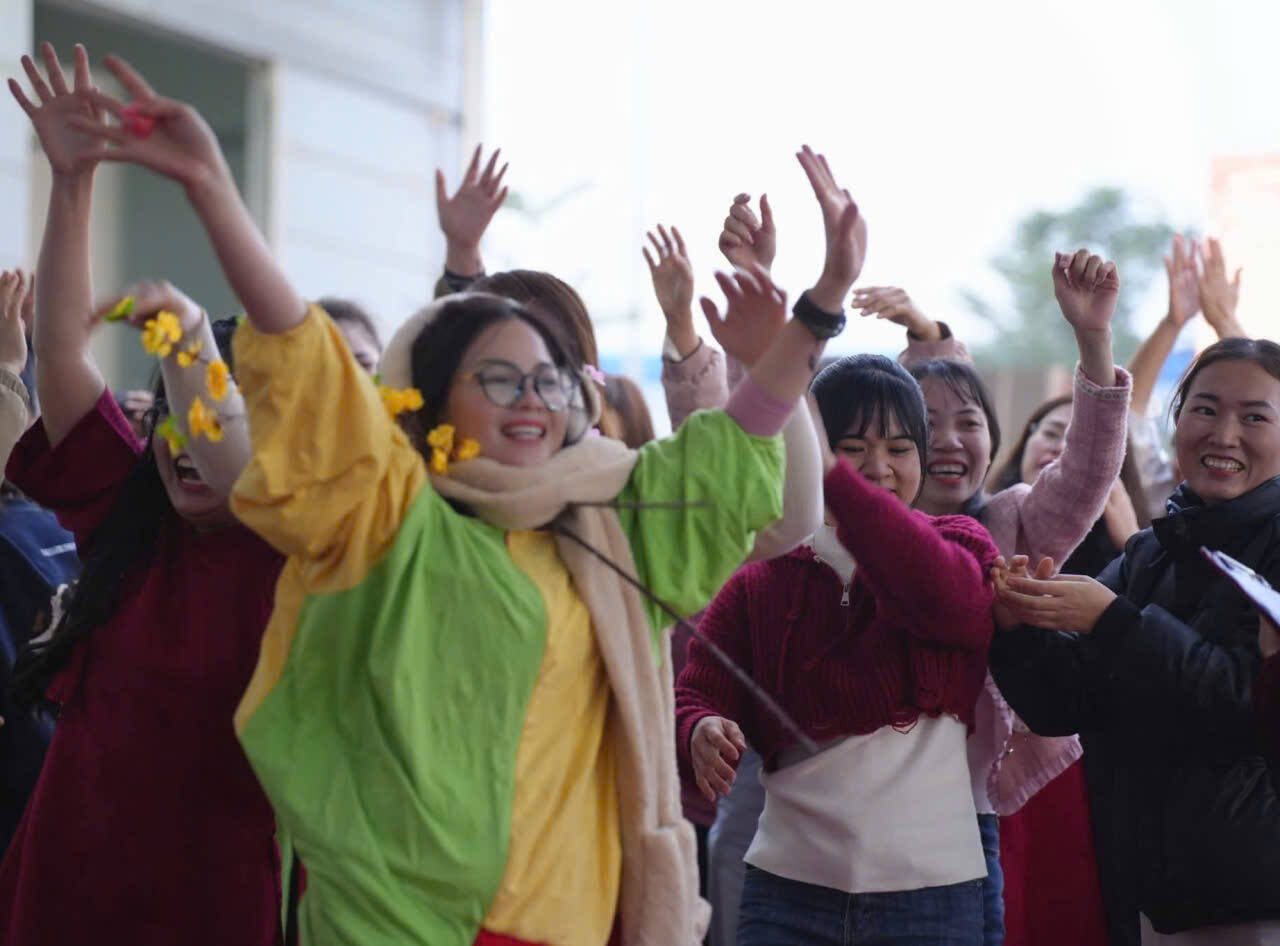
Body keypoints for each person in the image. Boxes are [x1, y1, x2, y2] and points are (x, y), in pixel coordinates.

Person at [72, 49, 860, 944]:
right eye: (498, 377)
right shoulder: (386, 517)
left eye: (549, 377)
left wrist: (817, 306)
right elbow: (305, 365)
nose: (531, 399)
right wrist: (214, 197)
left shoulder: (615, 521)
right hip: (385, 924)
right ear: (431, 402)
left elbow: (739, 454)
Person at [0, 44, 284, 945]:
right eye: (171, 414)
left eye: (216, 418)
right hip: (64, 890)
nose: (188, 446)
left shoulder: (305, 553)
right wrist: (71, 180)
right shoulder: (126, 511)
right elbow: (62, 352)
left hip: (216, 905)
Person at [676, 351, 999, 945]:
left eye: (900, 448)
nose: (878, 467)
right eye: (852, 448)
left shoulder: (962, 545)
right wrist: (701, 728)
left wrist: (837, 481)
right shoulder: (760, 577)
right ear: (813, 454)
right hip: (785, 894)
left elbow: (946, 600)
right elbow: (696, 692)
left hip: (932, 897)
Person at [853, 258, 1130, 946]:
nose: (949, 440)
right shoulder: (856, 535)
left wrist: (1093, 341)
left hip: (983, 802)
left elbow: (1088, 469)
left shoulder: (1014, 519)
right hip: (866, 803)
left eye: (968, 421)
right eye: (926, 425)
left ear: (993, 435)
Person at [990, 336, 1280, 946]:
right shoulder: (1154, 550)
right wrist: (1019, 631)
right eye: (1205, 409)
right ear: (1178, 419)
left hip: (1254, 891)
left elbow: (1247, 702)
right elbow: (1064, 706)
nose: (1224, 434)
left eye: (1255, 417)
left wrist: (1116, 623)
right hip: (1146, 894)